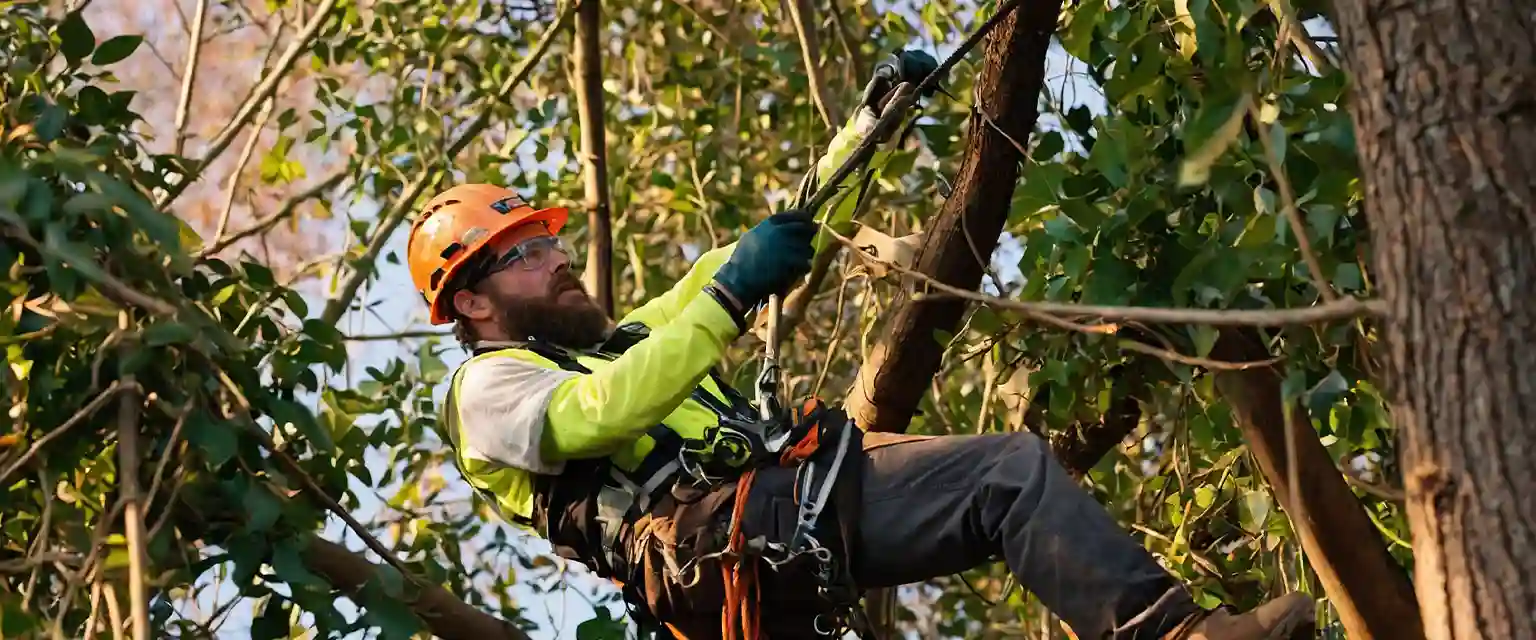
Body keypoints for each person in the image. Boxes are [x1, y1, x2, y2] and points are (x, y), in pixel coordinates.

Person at [406, 51, 1317, 640]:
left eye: (552, 242)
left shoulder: (634, 334)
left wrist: (867, 132)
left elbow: (763, 245)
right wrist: (727, 297)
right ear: (473, 302)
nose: (559, 261)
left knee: (1004, 482)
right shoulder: (490, 391)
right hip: (714, 551)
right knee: (1009, 473)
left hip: (767, 524)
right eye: (527, 254)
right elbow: (599, 413)